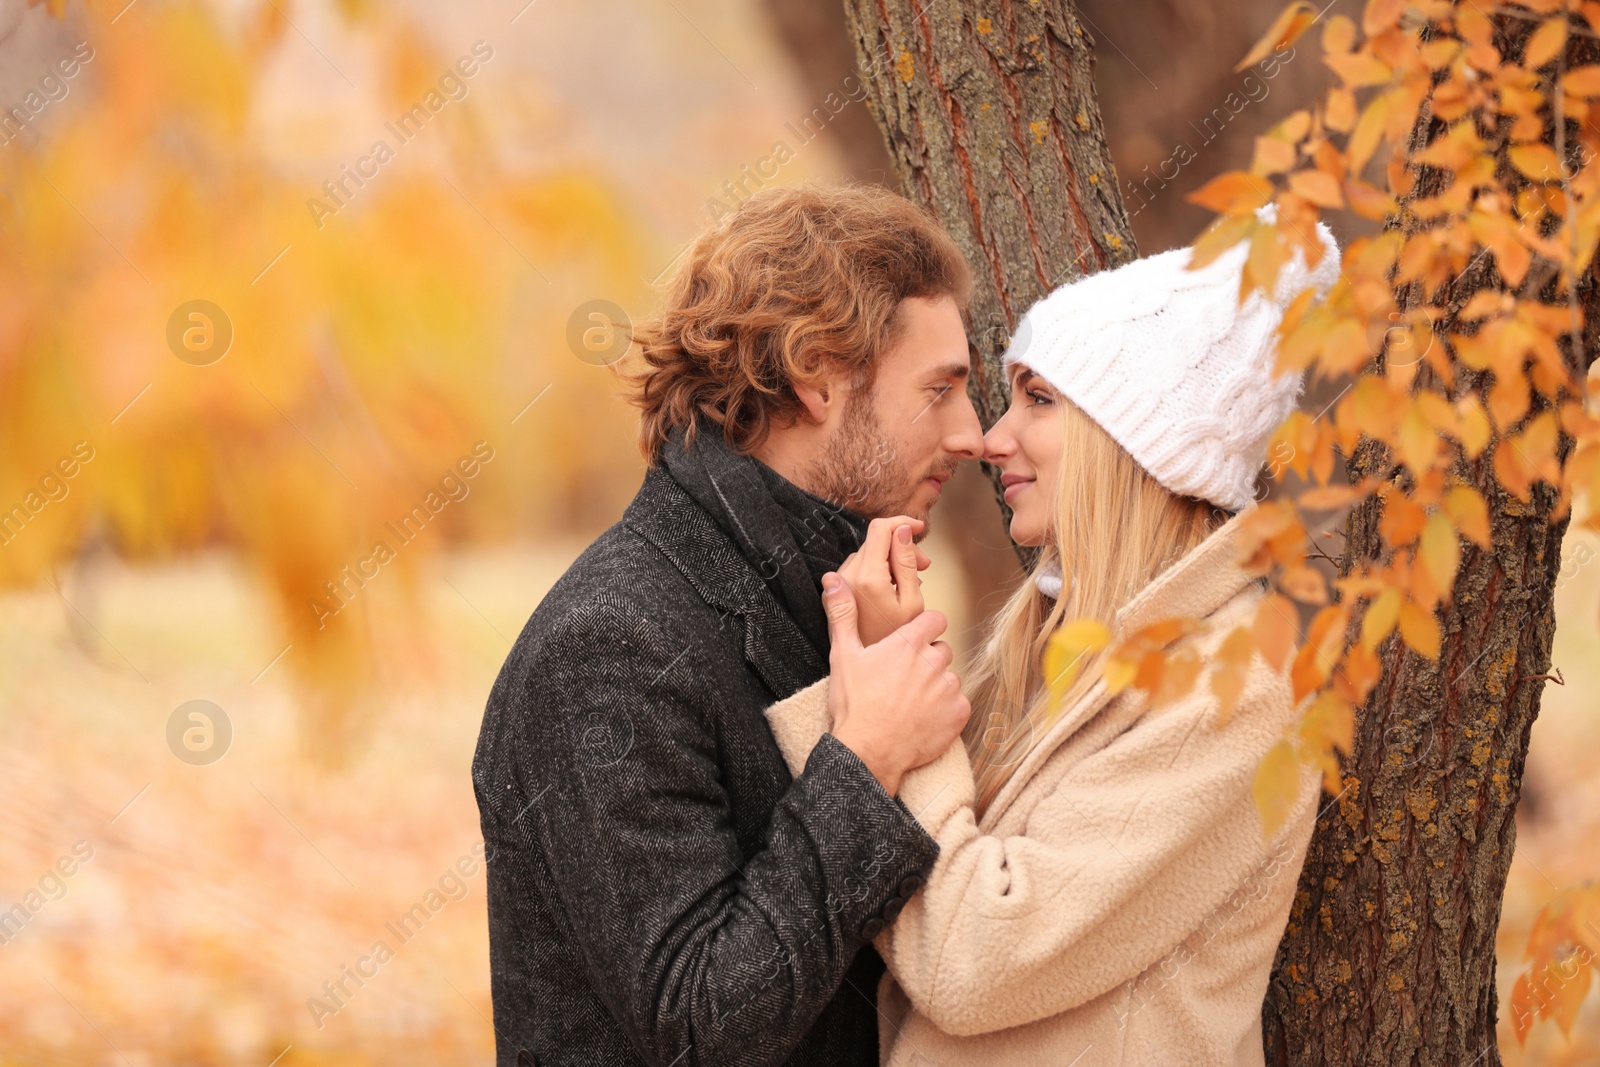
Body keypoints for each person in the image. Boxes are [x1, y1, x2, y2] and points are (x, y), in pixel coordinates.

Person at [762, 207, 1338, 1066]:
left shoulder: (1231, 690)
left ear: (1137, 442)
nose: (992, 439)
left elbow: (973, 961)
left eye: (1038, 399)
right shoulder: (1075, 644)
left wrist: (894, 711)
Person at [471, 180, 984, 1067]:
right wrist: (865, 764)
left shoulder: (823, 599)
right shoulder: (609, 646)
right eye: (940, 389)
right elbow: (699, 1026)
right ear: (819, 373)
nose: (974, 432)